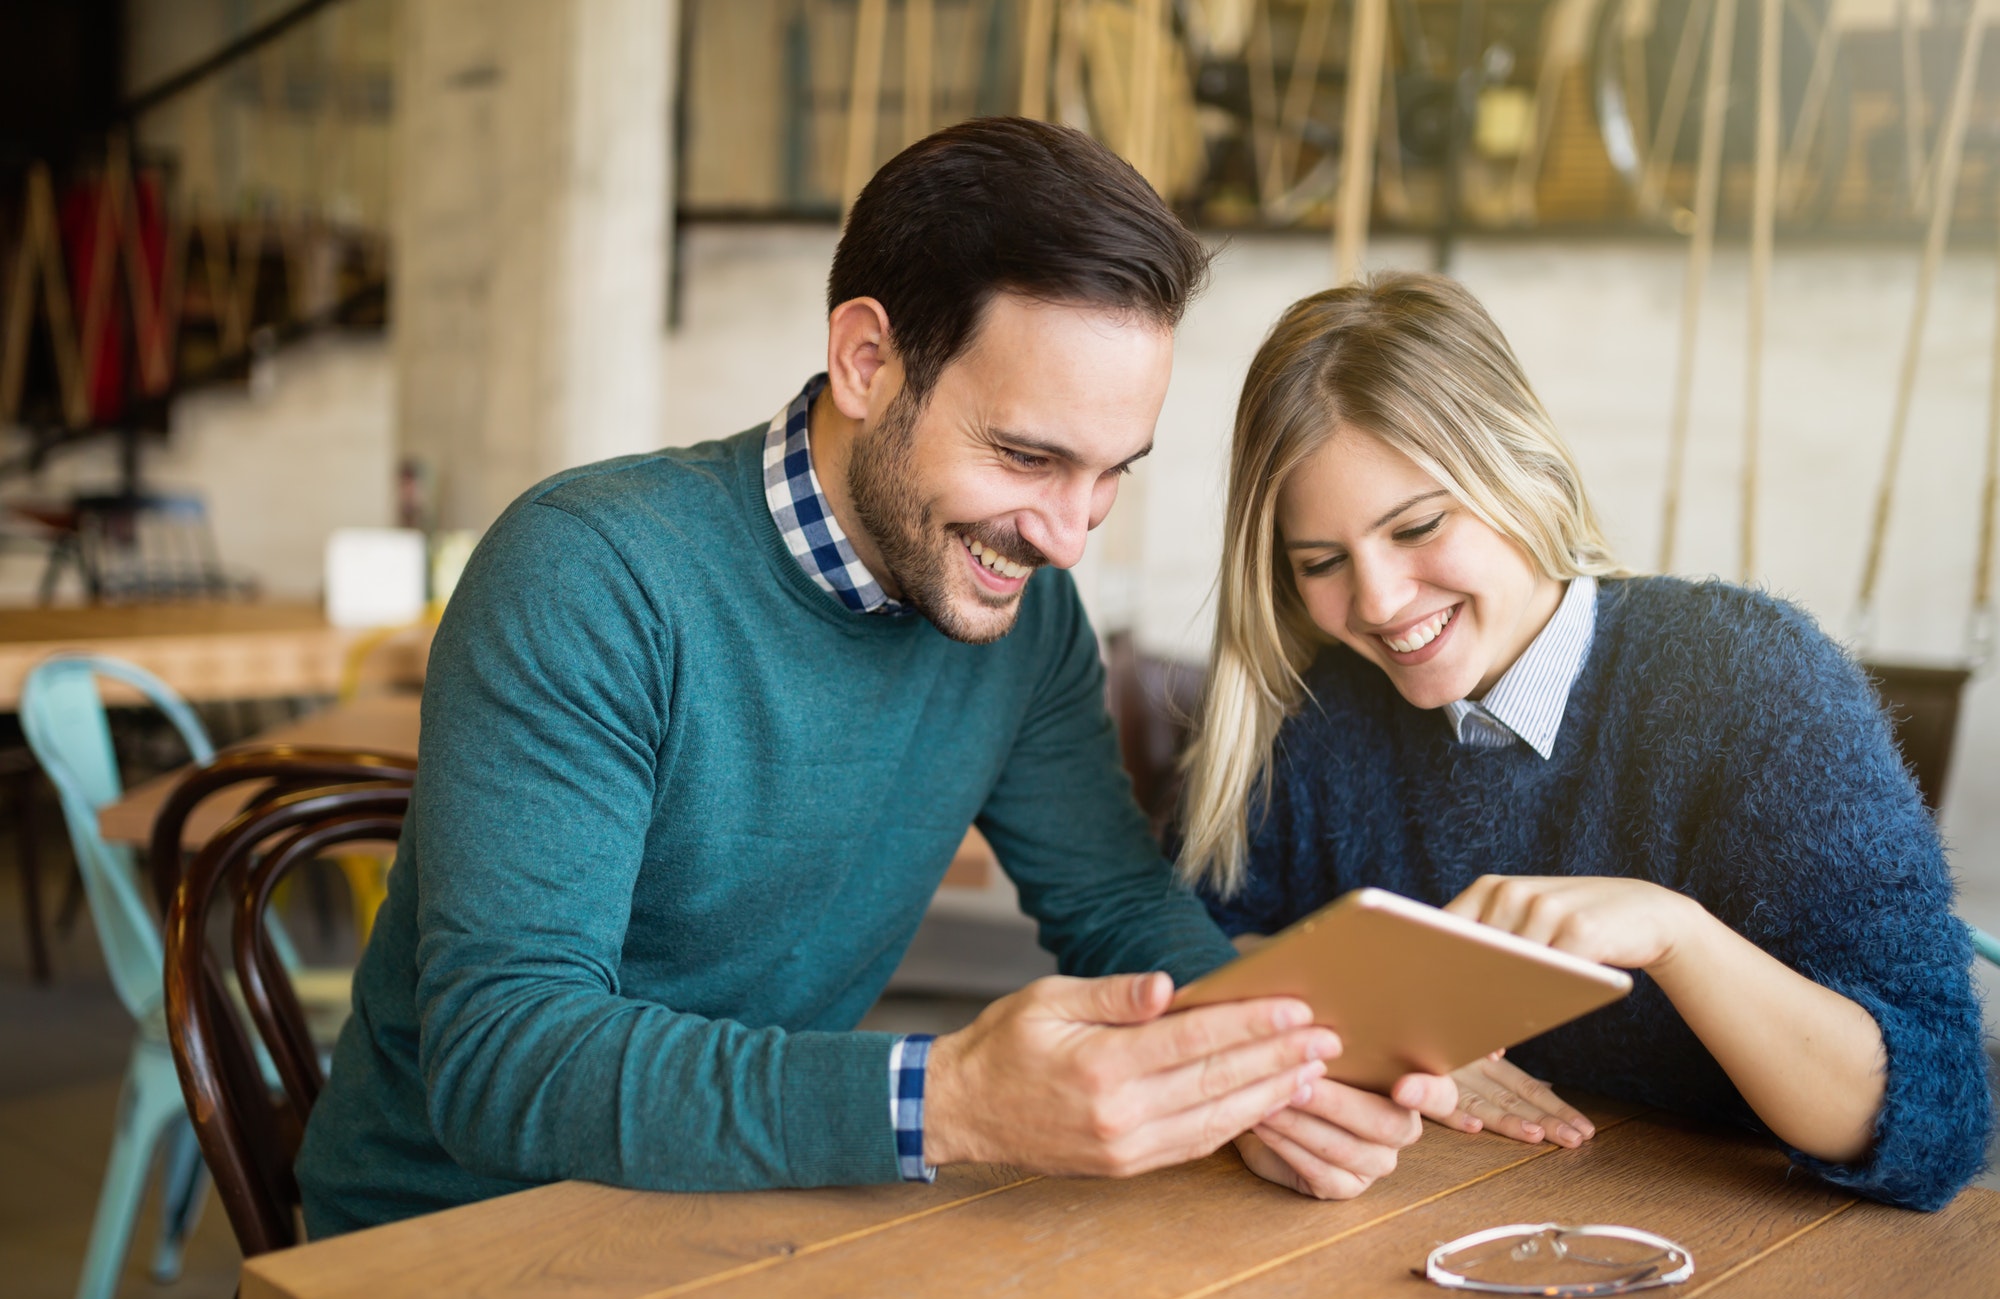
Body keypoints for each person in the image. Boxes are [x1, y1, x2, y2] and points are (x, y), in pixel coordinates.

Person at [297, 120, 1464, 1237]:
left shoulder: (1026, 616)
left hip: (746, 1214)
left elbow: (1115, 904)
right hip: (451, 1242)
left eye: (1111, 472)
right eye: (1026, 455)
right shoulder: (591, 573)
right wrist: (946, 1101)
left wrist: (1285, 1068)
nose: (1067, 536)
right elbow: (505, 1058)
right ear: (865, 361)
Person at [1176, 271, 1994, 1210]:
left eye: (1419, 525)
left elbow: (1940, 1124)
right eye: (1321, 562)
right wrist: (1355, 1043)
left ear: (1521, 469)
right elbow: (1174, 951)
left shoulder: (1750, 676)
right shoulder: (1315, 712)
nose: (1379, 601)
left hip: (1738, 1243)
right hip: (1440, 1221)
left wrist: (1676, 934)